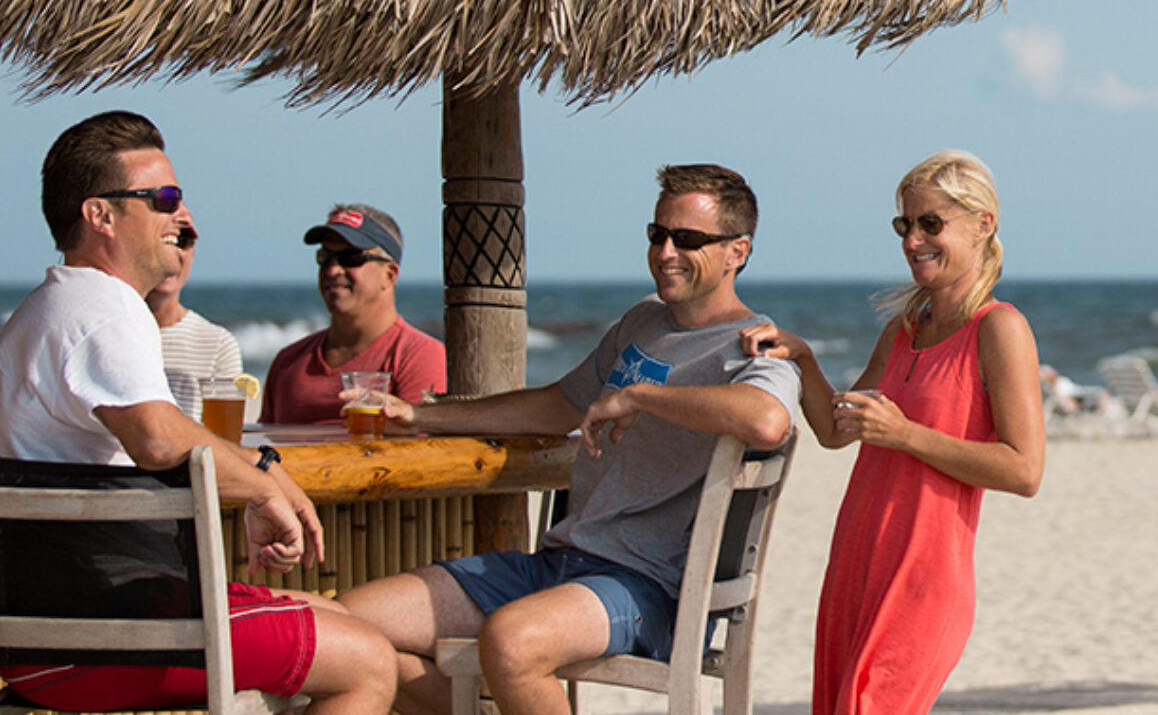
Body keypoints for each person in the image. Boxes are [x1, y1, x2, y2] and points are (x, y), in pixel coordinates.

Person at [0, 110, 396, 714]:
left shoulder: (52, 307)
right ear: (101, 215)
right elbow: (160, 440)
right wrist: (265, 484)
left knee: (335, 616)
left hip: (44, 638)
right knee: (368, 661)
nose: (180, 215)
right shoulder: (105, 308)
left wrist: (256, 477)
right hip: (106, 645)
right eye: (162, 198)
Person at [336, 164, 802, 715]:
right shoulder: (642, 321)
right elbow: (558, 403)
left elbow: (768, 419)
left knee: (512, 642)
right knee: (346, 626)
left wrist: (641, 395)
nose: (665, 251)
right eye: (658, 234)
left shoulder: (753, 344)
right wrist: (419, 416)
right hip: (561, 566)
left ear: (737, 251)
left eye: (688, 239)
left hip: (649, 590)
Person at [740, 149, 1045, 715]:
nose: (913, 240)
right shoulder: (904, 327)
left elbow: (1025, 470)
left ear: (984, 225)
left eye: (932, 224)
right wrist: (803, 360)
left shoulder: (1000, 328)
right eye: (905, 224)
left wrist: (906, 435)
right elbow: (837, 431)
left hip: (924, 574)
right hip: (857, 559)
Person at [260, 204, 445, 423]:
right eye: (325, 257)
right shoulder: (288, 363)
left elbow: (424, 452)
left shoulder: (418, 357)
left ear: (390, 274)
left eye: (351, 257)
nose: (332, 270)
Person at [145, 225, 244, 421]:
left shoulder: (218, 344)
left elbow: (223, 437)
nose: (171, 253)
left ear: (193, 254)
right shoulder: (108, 332)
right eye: (162, 241)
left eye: (182, 243)